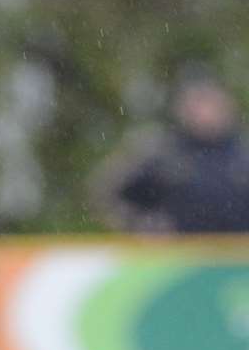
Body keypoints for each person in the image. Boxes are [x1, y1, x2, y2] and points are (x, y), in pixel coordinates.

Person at [94, 72, 249, 233]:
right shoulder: (158, 153)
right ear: (182, 110)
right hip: (176, 254)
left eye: (212, 104)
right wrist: (139, 224)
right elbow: (108, 196)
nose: (205, 112)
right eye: (198, 105)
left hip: (240, 254)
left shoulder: (244, 155)